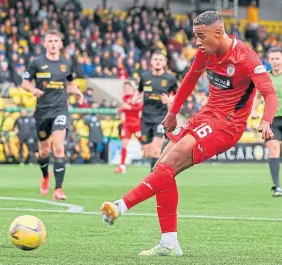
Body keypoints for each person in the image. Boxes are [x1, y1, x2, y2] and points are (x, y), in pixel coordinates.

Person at [100, 11, 278, 257]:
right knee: (162, 168)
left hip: (227, 126)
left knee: (168, 163)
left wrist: (266, 121)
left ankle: (120, 206)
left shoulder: (245, 57)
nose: (197, 42)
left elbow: (270, 93)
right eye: (195, 36)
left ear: (218, 32)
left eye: (200, 36)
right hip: (205, 117)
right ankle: (169, 243)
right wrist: (173, 113)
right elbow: (189, 80)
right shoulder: (206, 52)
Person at [21, 29, 84, 201]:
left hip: (60, 110)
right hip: (42, 112)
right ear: (45, 44)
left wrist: (77, 92)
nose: (53, 44)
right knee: (44, 151)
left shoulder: (66, 63)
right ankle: (45, 176)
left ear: (60, 44)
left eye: (56, 41)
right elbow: (24, 83)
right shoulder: (36, 62)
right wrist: (33, 89)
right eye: (50, 41)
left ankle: (58, 189)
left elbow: (70, 84)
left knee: (58, 147)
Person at [133, 50, 178, 171]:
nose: (158, 62)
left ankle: (154, 178)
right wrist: (136, 97)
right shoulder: (145, 76)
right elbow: (139, 90)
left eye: (160, 60)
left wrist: (169, 101)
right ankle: (158, 171)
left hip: (161, 117)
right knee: (147, 153)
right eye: (155, 59)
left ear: (165, 62)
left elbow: (178, 95)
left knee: (156, 150)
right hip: (146, 117)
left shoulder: (170, 78)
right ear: (151, 62)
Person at [256, 47, 282, 197]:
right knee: (274, 148)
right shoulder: (265, 78)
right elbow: (258, 97)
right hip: (271, 120)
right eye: (272, 59)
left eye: (277, 58)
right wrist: (252, 111)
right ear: (268, 60)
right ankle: (277, 186)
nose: (275, 62)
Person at [114, 80, 143, 174]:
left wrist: (129, 107)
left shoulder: (136, 96)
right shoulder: (125, 97)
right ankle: (122, 166)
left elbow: (140, 107)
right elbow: (124, 109)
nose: (126, 89)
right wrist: (121, 109)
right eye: (124, 88)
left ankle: (156, 163)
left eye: (127, 87)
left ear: (131, 87)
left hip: (136, 124)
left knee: (145, 144)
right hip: (127, 125)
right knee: (124, 144)